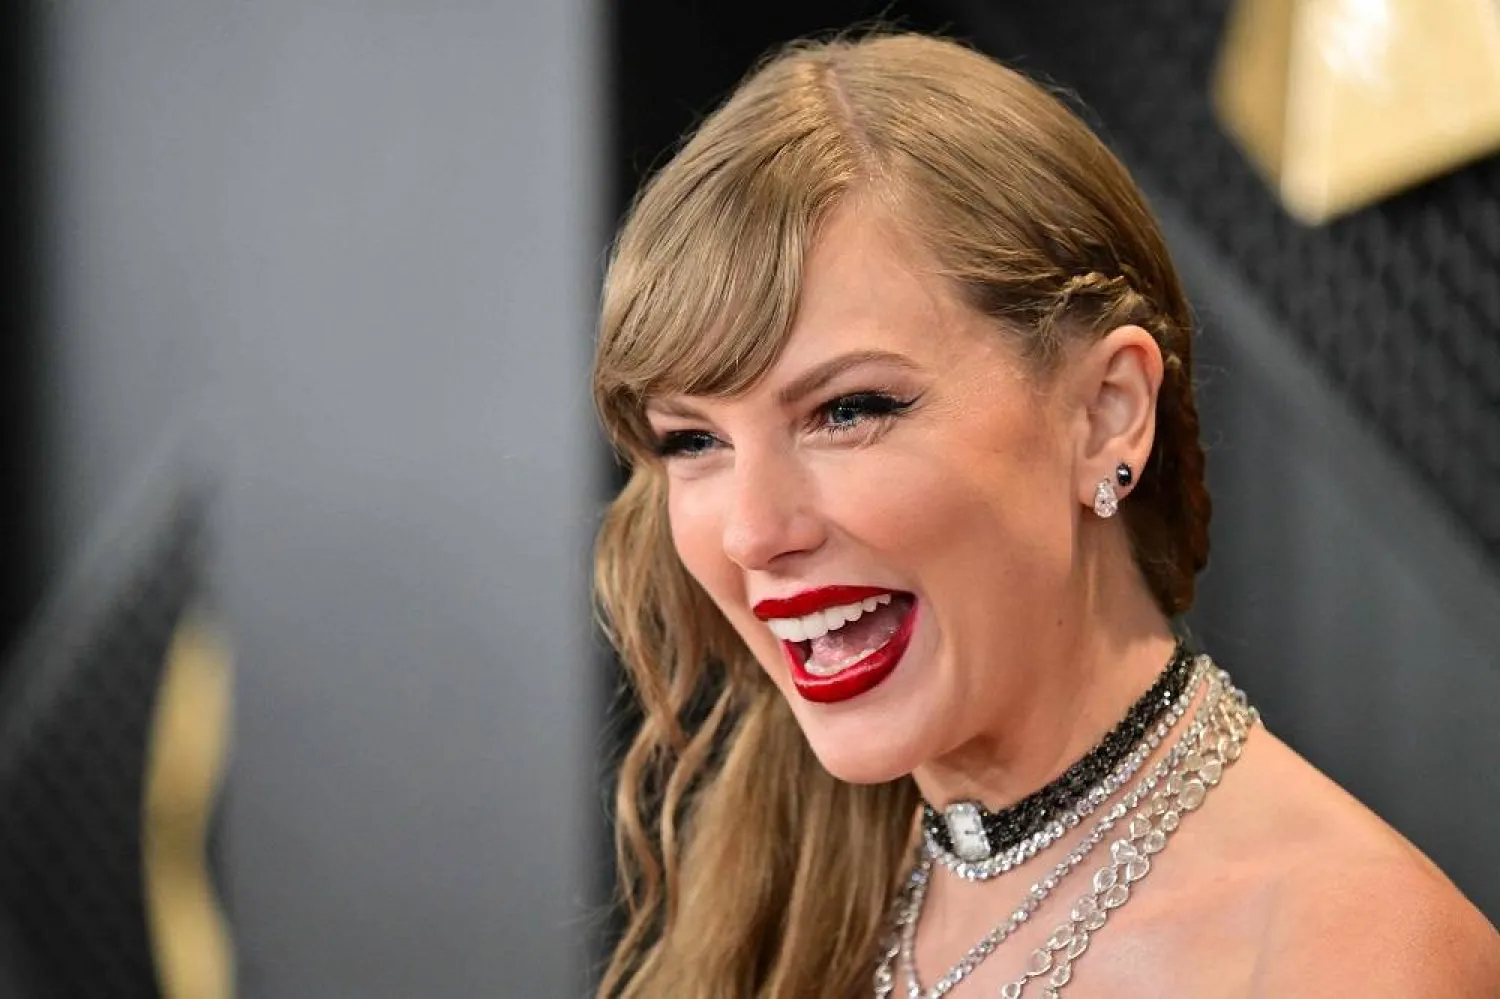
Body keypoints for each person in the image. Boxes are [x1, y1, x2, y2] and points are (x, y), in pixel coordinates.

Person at [590, 31, 1500, 998]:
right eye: (694, 442)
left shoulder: (1351, 959)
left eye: (848, 410)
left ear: (1107, 414)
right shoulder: (790, 893)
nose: (752, 531)